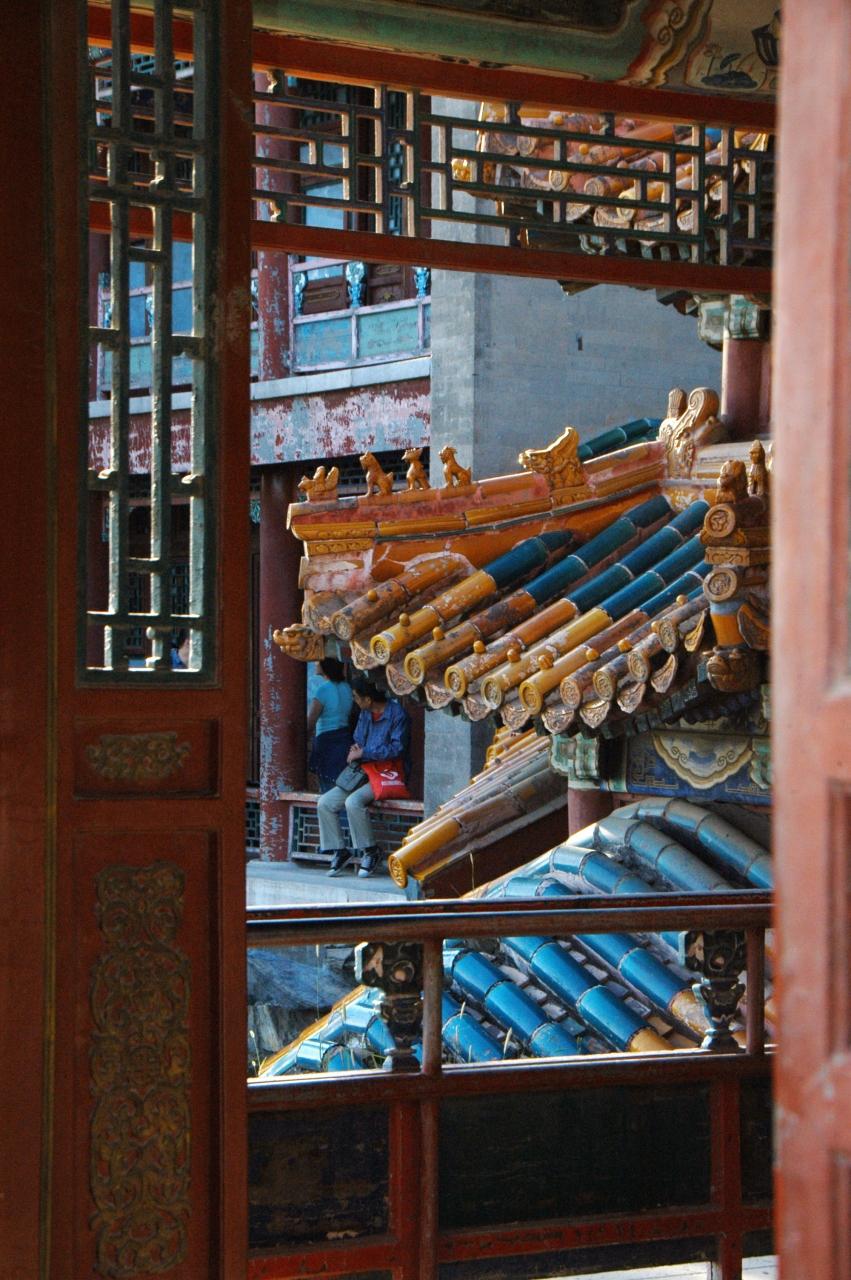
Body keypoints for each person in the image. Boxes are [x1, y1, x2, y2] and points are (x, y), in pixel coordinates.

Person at [317, 677, 410, 878]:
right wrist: (356, 750)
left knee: (353, 802)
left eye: (356, 697)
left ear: (368, 699)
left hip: (386, 772)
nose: (354, 701)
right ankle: (340, 851)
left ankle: (370, 851)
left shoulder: (397, 714)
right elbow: (358, 740)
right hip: (363, 771)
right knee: (325, 802)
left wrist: (364, 752)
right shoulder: (365, 713)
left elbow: (397, 748)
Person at [307, 657, 354, 793]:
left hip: (326, 742)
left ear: (325, 665)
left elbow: (310, 722)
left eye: (318, 661)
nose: (315, 663)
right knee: (341, 787)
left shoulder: (323, 690)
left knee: (327, 789)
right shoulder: (347, 687)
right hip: (345, 740)